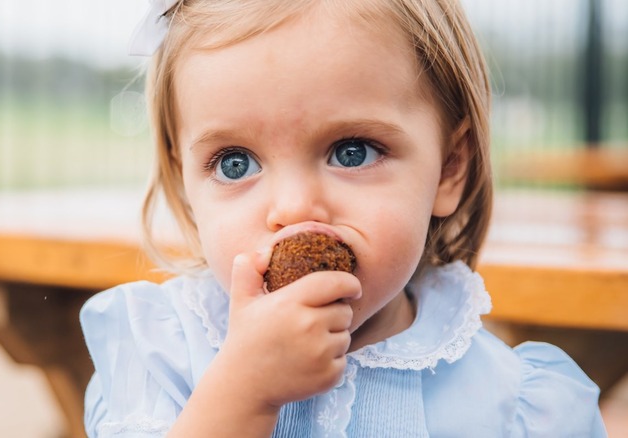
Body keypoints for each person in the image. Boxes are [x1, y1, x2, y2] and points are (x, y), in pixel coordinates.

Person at [80, 0, 607, 436]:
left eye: (352, 152)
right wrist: (241, 395)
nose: (292, 208)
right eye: (235, 163)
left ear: (449, 167)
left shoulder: (513, 404)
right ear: (185, 179)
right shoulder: (161, 357)